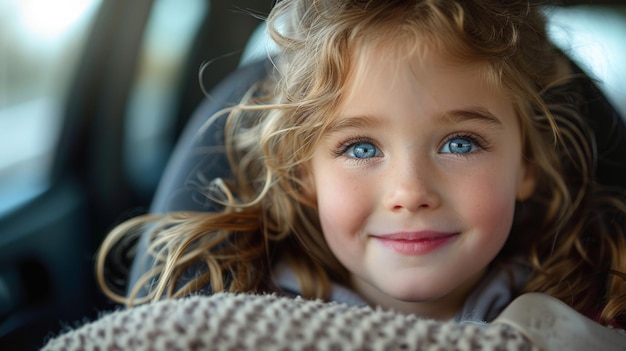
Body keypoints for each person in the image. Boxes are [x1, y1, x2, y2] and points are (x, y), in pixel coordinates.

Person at [96, 0, 626, 328]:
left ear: (526, 165)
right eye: (361, 149)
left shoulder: (583, 322)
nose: (410, 191)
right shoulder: (243, 325)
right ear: (304, 176)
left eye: (460, 143)